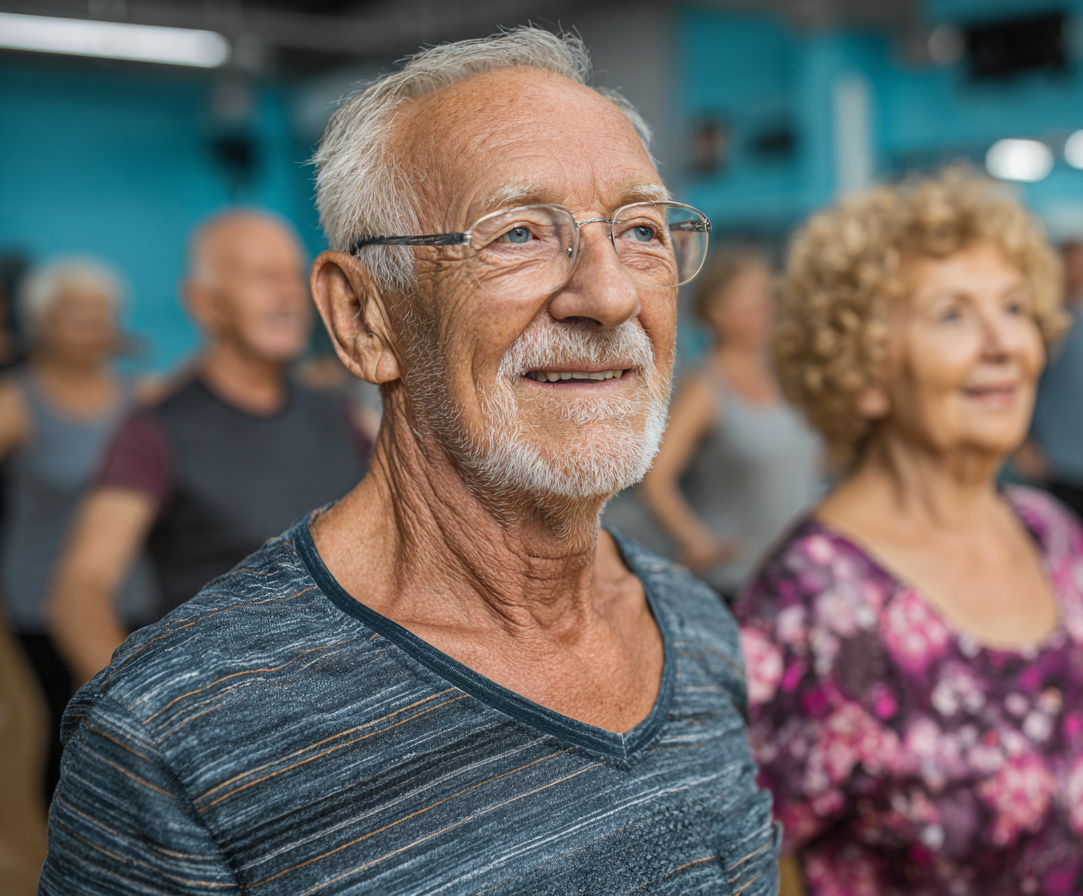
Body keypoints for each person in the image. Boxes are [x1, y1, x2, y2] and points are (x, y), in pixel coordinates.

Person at [40, 28, 778, 894]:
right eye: (517, 235)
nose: (611, 293)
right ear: (364, 319)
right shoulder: (175, 738)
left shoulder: (696, 631)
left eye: (642, 229)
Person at [735, 170, 1083, 895]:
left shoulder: (1052, 536)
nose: (1004, 343)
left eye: (1015, 307)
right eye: (952, 316)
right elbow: (726, 858)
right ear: (863, 369)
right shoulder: (812, 606)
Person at [46, 210, 370, 686]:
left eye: (292, 277)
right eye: (263, 278)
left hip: (350, 692)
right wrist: (145, 714)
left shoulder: (335, 412)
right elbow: (79, 591)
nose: (288, 296)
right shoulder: (156, 431)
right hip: (227, 706)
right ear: (205, 303)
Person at [0, 258, 157, 804]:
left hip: (128, 588)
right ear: (42, 323)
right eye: (78, 316)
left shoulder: (140, 398)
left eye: (104, 316)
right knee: (66, 721)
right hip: (39, 594)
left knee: (125, 723)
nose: (95, 329)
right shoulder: (18, 402)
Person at [641, 248, 823, 597]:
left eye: (765, 295)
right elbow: (656, 479)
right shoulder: (705, 388)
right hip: (732, 585)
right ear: (715, 312)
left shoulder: (788, 378)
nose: (762, 307)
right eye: (747, 297)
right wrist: (696, 540)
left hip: (799, 578)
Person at [1015, 239, 1083, 539]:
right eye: (1080, 262)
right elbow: (1023, 382)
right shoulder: (1048, 323)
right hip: (1056, 463)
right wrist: (1024, 446)